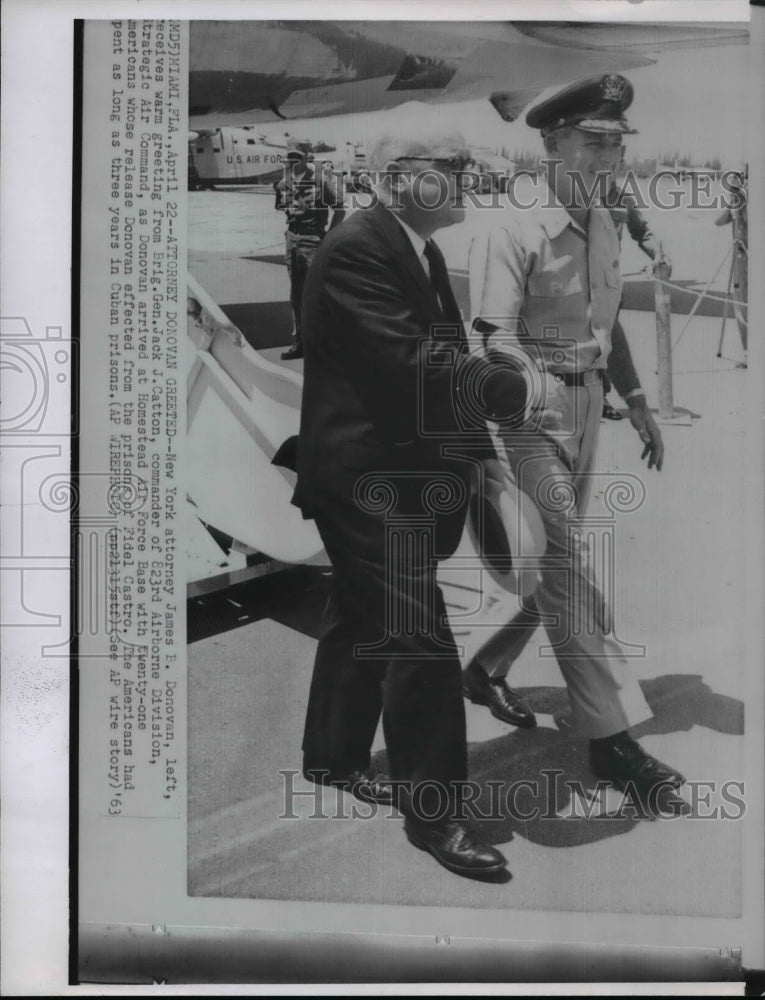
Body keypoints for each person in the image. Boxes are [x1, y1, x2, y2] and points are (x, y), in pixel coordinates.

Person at [294, 129, 538, 880]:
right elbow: (415, 362)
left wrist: (485, 463)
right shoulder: (359, 247)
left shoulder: (418, 249)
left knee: (359, 616)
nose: (471, 177)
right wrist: (515, 388)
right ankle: (435, 816)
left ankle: (331, 759)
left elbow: (434, 366)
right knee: (420, 639)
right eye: (456, 168)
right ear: (401, 179)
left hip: (400, 476)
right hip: (365, 481)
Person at [466, 74, 687, 813]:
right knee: (567, 568)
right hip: (532, 414)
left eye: (615, 146)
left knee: (552, 565)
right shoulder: (509, 225)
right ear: (551, 142)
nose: (607, 158)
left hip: (591, 403)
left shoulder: (600, 218)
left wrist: (634, 400)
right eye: (593, 143)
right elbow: (492, 336)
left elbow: (606, 321)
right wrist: (539, 399)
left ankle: (487, 667)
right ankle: (612, 740)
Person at [602, 171, 672, 418]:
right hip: (575, 282)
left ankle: (600, 398)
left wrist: (658, 255)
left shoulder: (623, 199)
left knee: (606, 343)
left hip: (609, 285)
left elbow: (642, 232)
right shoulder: (573, 196)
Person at [274, 140, 346, 360]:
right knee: (297, 293)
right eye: (291, 156)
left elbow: (340, 210)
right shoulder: (283, 183)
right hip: (292, 239)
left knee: (318, 292)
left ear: (307, 157)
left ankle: (328, 343)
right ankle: (302, 343)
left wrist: (329, 238)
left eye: (298, 156)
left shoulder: (321, 182)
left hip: (314, 240)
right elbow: (282, 207)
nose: (294, 160)